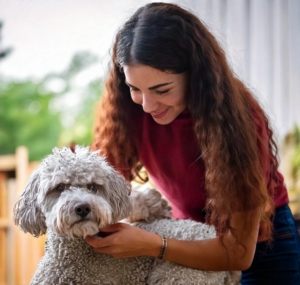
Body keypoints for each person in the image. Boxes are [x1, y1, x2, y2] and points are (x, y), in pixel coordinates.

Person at [85, 2, 300, 284]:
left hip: (262, 249)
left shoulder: (239, 119)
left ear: (196, 76)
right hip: (187, 237)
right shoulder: (127, 110)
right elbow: (98, 188)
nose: (148, 105)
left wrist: (150, 243)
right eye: (135, 88)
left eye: (162, 89)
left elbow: (238, 253)